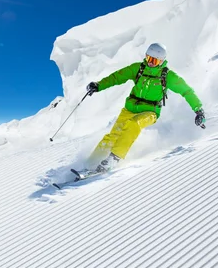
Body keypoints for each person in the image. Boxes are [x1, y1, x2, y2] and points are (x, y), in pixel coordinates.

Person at [86, 42, 205, 173]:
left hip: (150, 112)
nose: (151, 63)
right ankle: (89, 164)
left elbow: (186, 91)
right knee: (112, 136)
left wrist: (198, 110)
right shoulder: (138, 69)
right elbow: (117, 77)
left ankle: (114, 159)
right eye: (149, 58)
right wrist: (99, 85)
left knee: (134, 124)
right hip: (129, 109)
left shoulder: (167, 76)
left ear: (162, 60)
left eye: (155, 60)